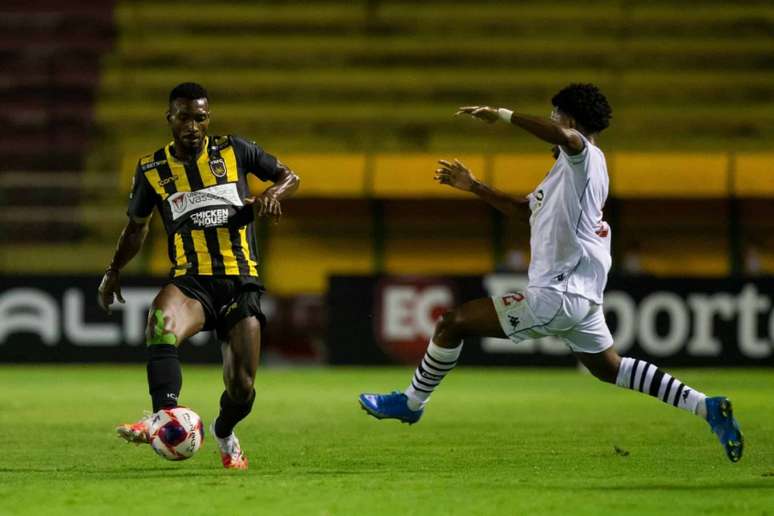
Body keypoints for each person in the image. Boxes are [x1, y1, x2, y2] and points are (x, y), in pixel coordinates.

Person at [358, 83, 743, 462]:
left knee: (452, 323)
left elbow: (566, 136)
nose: (552, 121)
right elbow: (524, 211)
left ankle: (411, 402)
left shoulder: (584, 156)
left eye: (555, 114)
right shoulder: (565, 171)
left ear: (570, 120)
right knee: (611, 369)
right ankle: (706, 406)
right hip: (581, 298)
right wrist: (474, 186)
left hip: (556, 294)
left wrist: (503, 114)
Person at [98, 82, 300, 469]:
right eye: (185, 117)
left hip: (240, 280)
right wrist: (113, 270)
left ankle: (223, 431)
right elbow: (136, 228)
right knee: (160, 323)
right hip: (191, 281)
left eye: (201, 118)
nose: (193, 126)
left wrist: (276, 194)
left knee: (241, 388)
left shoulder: (235, 150)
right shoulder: (152, 169)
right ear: (170, 118)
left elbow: (290, 176)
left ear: (209, 119)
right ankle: (163, 417)